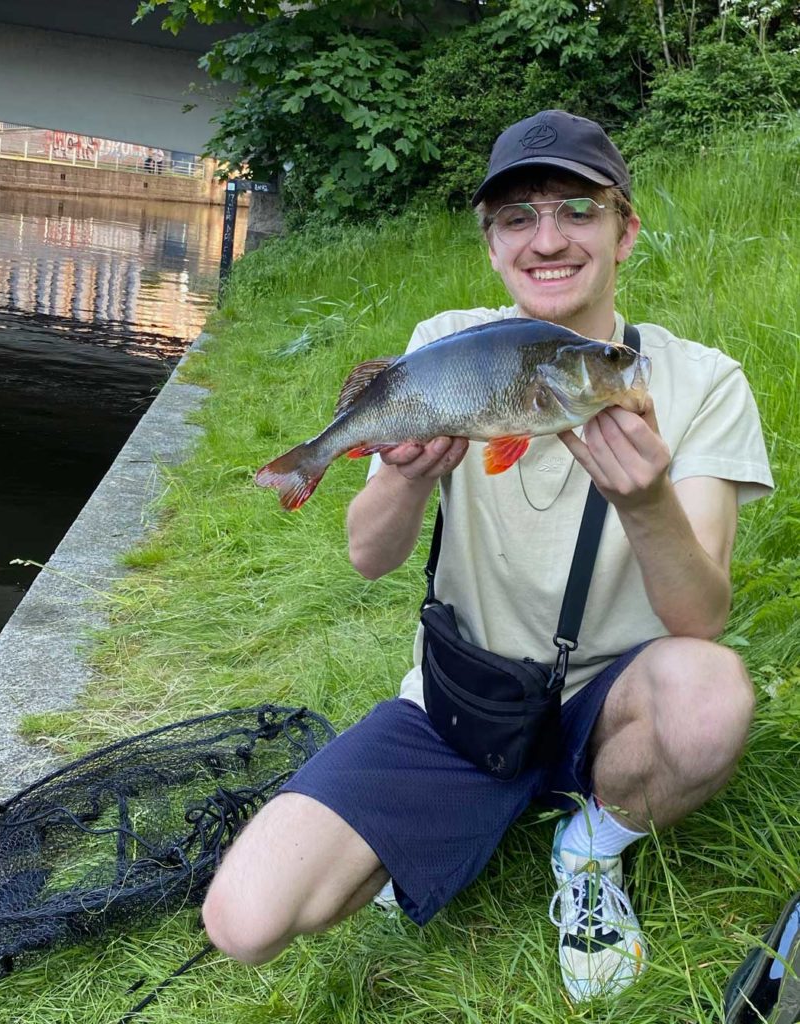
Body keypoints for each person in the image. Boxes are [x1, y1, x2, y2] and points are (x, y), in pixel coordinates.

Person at [202, 110, 773, 1002]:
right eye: (517, 218)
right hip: (463, 705)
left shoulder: (701, 383)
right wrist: (402, 480)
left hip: (610, 701)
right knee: (245, 920)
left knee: (711, 693)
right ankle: (448, 827)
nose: (548, 240)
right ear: (493, 247)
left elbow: (699, 620)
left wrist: (645, 501)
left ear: (624, 230)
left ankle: (591, 846)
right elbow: (367, 558)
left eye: (576, 212)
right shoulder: (446, 344)